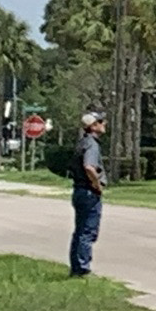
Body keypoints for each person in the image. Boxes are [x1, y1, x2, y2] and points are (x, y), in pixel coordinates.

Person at [68, 110, 106, 277]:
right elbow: (89, 167)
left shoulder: (82, 142)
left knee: (80, 231)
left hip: (79, 191)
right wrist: (97, 184)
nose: (104, 124)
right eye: (101, 122)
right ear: (93, 126)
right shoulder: (92, 144)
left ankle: (76, 267)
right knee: (87, 232)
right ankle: (83, 268)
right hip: (89, 192)